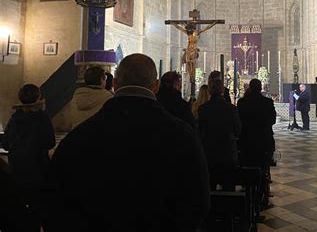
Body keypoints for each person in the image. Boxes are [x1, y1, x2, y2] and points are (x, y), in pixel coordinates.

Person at [46, 54, 210, 231]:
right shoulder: (183, 136)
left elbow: (55, 204)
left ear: (115, 83)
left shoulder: (77, 139)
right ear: (155, 86)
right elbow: (197, 202)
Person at [3, 84, 56, 231]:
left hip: (17, 170)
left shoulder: (15, 118)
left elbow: (6, 144)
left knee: (20, 206)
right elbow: (50, 142)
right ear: (38, 97)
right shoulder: (42, 117)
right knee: (37, 208)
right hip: (38, 170)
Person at [198, 78, 241, 189]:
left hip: (209, 154)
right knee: (229, 189)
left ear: (209, 91)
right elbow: (238, 131)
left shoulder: (203, 109)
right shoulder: (231, 109)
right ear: (222, 90)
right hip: (227, 155)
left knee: (209, 188)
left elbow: (200, 131)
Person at [237, 79, 276, 168]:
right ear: (260, 88)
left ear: (249, 88)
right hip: (264, 139)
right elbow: (272, 120)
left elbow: (239, 120)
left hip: (246, 139)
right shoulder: (268, 102)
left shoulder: (242, 102)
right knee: (264, 164)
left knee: (247, 166)